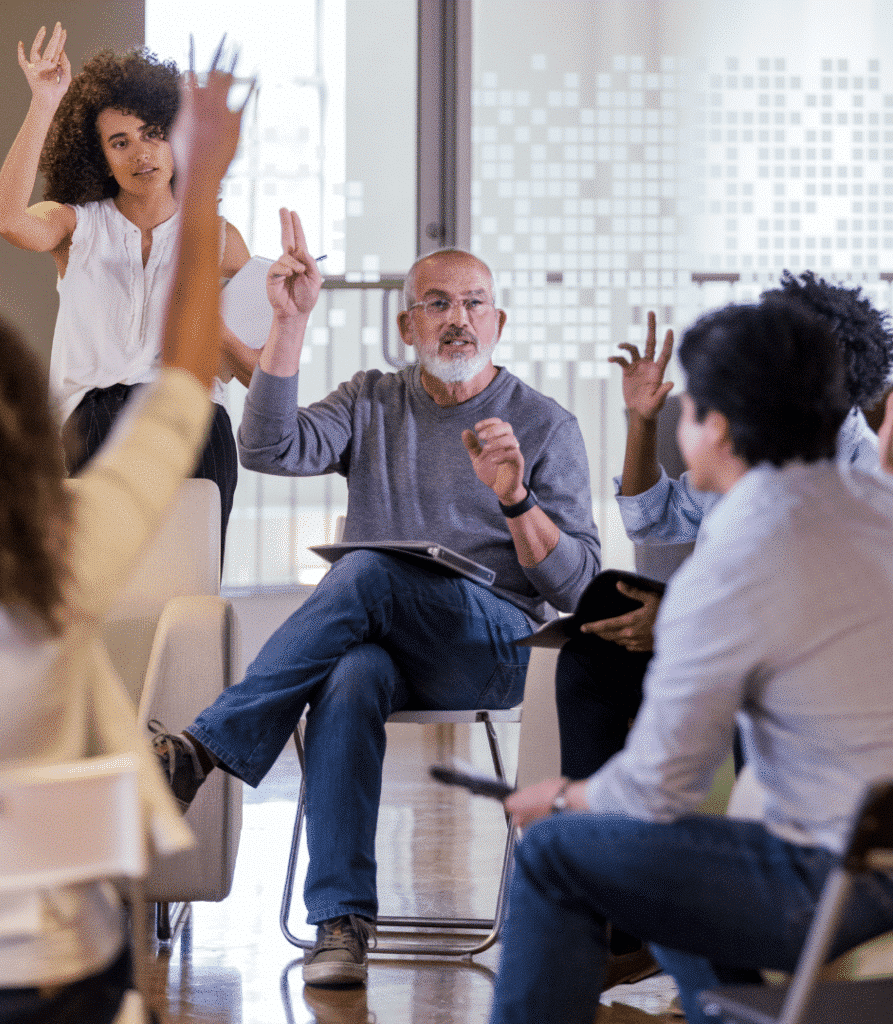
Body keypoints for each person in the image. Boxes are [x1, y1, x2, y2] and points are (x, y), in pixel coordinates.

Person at [0, 66, 244, 1023]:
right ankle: (165, 748)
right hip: (48, 984)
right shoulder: (66, 551)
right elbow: (184, 383)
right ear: (7, 408)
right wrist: (204, 186)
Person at [150, 233, 601, 987]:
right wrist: (288, 327)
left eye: (473, 303)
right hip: (389, 647)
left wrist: (515, 498)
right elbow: (269, 448)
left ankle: (201, 749)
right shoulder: (372, 399)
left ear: (498, 323)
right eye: (436, 303)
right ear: (407, 328)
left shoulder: (544, 424)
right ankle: (342, 924)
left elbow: (578, 590)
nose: (457, 318)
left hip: (494, 649)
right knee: (351, 675)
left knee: (365, 568)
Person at [487, 298, 893, 1024]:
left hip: (838, 882)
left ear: (719, 426)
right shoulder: (876, 506)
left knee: (556, 852)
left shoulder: (741, 553)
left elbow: (656, 795)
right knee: (677, 862)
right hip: (873, 847)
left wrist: (557, 799)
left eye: (689, 406)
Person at [556, 272, 893, 780]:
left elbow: (802, 608)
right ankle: (597, 831)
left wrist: (681, 621)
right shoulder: (758, 442)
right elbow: (651, 519)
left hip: (786, 665)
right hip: (728, 631)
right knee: (592, 656)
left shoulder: (861, 476)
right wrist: (642, 421)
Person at [0, 22, 258, 546]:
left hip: (194, 425)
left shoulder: (219, 238)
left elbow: (252, 372)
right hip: (92, 425)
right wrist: (44, 102)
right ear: (101, 158)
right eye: (120, 141)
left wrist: (237, 324)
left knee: (188, 590)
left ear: (175, 136)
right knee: (92, 592)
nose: (141, 154)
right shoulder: (75, 225)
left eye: (153, 133)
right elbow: (6, 220)